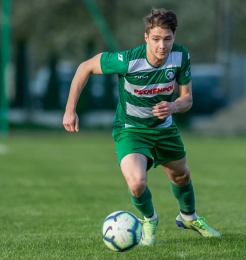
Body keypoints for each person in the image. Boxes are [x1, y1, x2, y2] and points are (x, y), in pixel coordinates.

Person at [63, 8, 221, 246]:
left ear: (174, 37)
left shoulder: (181, 56)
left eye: (167, 39)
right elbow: (85, 67)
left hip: (164, 128)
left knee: (182, 175)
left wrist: (172, 107)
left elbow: (187, 99)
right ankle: (149, 219)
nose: (162, 46)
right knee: (137, 183)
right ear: (146, 37)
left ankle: (189, 218)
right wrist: (70, 109)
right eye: (156, 39)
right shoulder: (129, 60)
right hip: (131, 129)